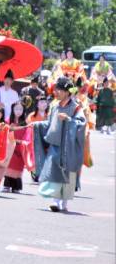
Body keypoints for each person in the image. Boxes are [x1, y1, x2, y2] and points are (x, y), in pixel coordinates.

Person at [32, 77, 89, 213]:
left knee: (67, 174)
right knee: (54, 173)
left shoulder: (76, 108)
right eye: (56, 89)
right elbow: (50, 124)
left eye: (59, 90)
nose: (56, 92)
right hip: (56, 145)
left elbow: (82, 123)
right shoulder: (54, 106)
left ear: (67, 92)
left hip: (69, 147)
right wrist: (37, 125)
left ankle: (64, 202)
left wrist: (69, 119)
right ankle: (56, 201)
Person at [2, 102, 30, 193]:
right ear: (12, 110)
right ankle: (7, 185)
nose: (18, 111)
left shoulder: (25, 123)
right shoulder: (7, 121)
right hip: (10, 147)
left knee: (18, 168)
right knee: (9, 166)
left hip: (20, 147)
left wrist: (24, 143)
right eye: (16, 109)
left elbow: (28, 135)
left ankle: (16, 187)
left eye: (20, 109)